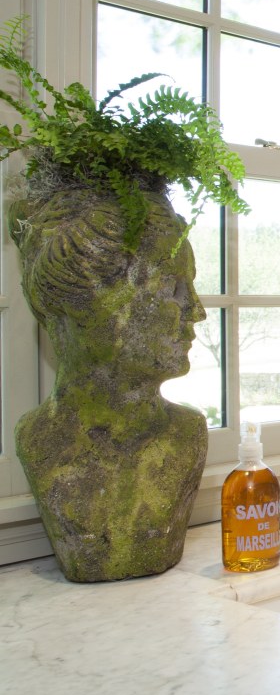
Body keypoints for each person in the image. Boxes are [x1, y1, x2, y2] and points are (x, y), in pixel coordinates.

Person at [8, 177, 208, 581]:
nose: (196, 310)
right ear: (87, 303)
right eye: (171, 287)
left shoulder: (187, 434)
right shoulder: (41, 441)